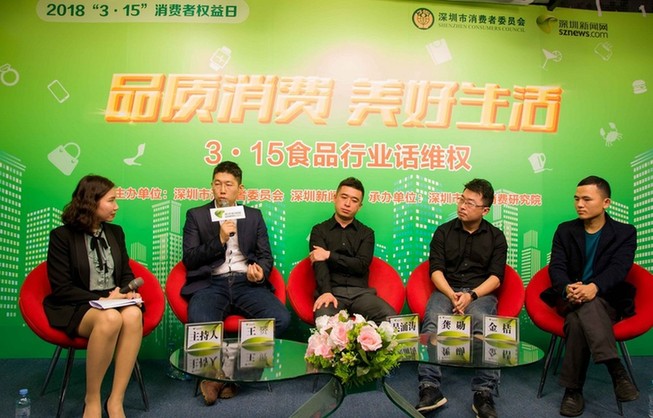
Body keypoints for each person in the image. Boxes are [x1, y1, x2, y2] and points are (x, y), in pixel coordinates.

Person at [181, 160, 290, 405]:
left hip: (245, 283)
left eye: (228, 185)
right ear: (211, 186)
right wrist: (219, 240)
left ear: (240, 190)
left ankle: (233, 376)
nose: (222, 190)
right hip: (211, 283)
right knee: (199, 319)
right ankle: (215, 376)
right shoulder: (196, 215)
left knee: (281, 318)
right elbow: (190, 258)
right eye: (218, 184)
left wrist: (260, 272)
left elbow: (265, 256)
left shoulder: (253, 216)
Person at [44, 175, 143, 418]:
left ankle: (116, 400)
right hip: (77, 304)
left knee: (132, 315)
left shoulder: (116, 232)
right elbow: (61, 288)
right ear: (91, 202)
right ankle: (92, 398)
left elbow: (125, 272)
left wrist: (127, 292)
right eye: (111, 200)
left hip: (113, 299)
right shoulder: (61, 236)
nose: (116, 206)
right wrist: (101, 302)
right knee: (110, 318)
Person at [545, 176, 638, 417]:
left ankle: (573, 391)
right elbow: (557, 267)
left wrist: (594, 287)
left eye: (587, 199)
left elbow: (619, 268)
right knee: (582, 309)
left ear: (606, 202)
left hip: (607, 300)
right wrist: (567, 288)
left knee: (578, 320)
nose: (579, 204)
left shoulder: (625, 233)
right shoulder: (565, 230)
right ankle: (616, 369)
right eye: (576, 199)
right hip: (571, 297)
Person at [416, 179, 507, 418]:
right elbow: (435, 270)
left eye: (470, 203)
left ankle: (484, 392)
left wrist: (471, 295)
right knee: (433, 319)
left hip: (480, 293)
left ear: (485, 210)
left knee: (483, 320)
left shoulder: (496, 237)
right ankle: (429, 387)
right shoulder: (443, 232)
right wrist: (451, 294)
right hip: (447, 289)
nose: (462, 206)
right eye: (461, 199)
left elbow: (496, 278)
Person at [309, 176, 396, 324]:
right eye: (344, 197)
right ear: (335, 198)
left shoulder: (366, 233)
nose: (347, 204)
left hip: (361, 294)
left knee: (392, 319)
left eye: (354, 200)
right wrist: (326, 292)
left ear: (359, 206)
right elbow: (319, 265)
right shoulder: (319, 230)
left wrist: (329, 255)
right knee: (324, 323)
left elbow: (361, 265)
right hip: (332, 291)